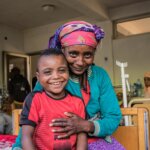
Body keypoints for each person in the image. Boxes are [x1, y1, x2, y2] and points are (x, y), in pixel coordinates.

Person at [13, 21, 124, 149]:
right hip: (54, 142)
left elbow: (113, 117)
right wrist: (18, 147)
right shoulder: (50, 81)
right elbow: (32, 116)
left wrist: (86, 125)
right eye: (73, 54)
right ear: (62, 50)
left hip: (94, 141)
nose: (80, 62)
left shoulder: (100, 76)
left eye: (87, 55)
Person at [20, 49, 87, 150]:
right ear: (38, 77)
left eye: (62, 70)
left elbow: (82, 137)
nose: (56, 76)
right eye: (47, 72)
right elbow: (26, 137)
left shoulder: (77, 102)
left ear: (68, 72)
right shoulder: (35, 100)